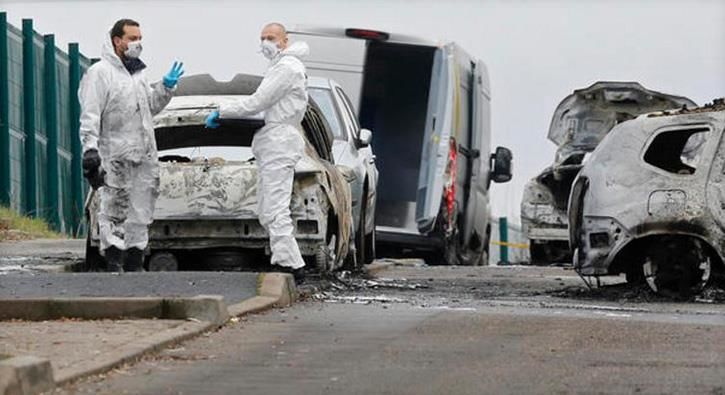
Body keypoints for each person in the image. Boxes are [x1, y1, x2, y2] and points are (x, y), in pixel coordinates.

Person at [205, 22, 309, 281]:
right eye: (262, 37)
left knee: (275, 208)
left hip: (280, 142)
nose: (265, 42)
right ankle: (285, 261)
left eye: (271, 37)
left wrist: (223, 110)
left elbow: (258, 102)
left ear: (285, 41)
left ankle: (291, 266)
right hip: (275, 141)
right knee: (267, 208)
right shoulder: (280, 67)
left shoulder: (287, 68)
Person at [79, 19, 184, 272]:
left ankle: (136, 259)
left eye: (139, 38)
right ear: (117, 41)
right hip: (114, 152)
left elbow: (151, 107)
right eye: (132, 38)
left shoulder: (139, 73)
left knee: (141, 208)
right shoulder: (100, 73)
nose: (138, 43)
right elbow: (90, 113)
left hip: (144, 153)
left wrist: (166, 88)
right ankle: (114, 259)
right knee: (114, 206)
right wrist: (90, 148)